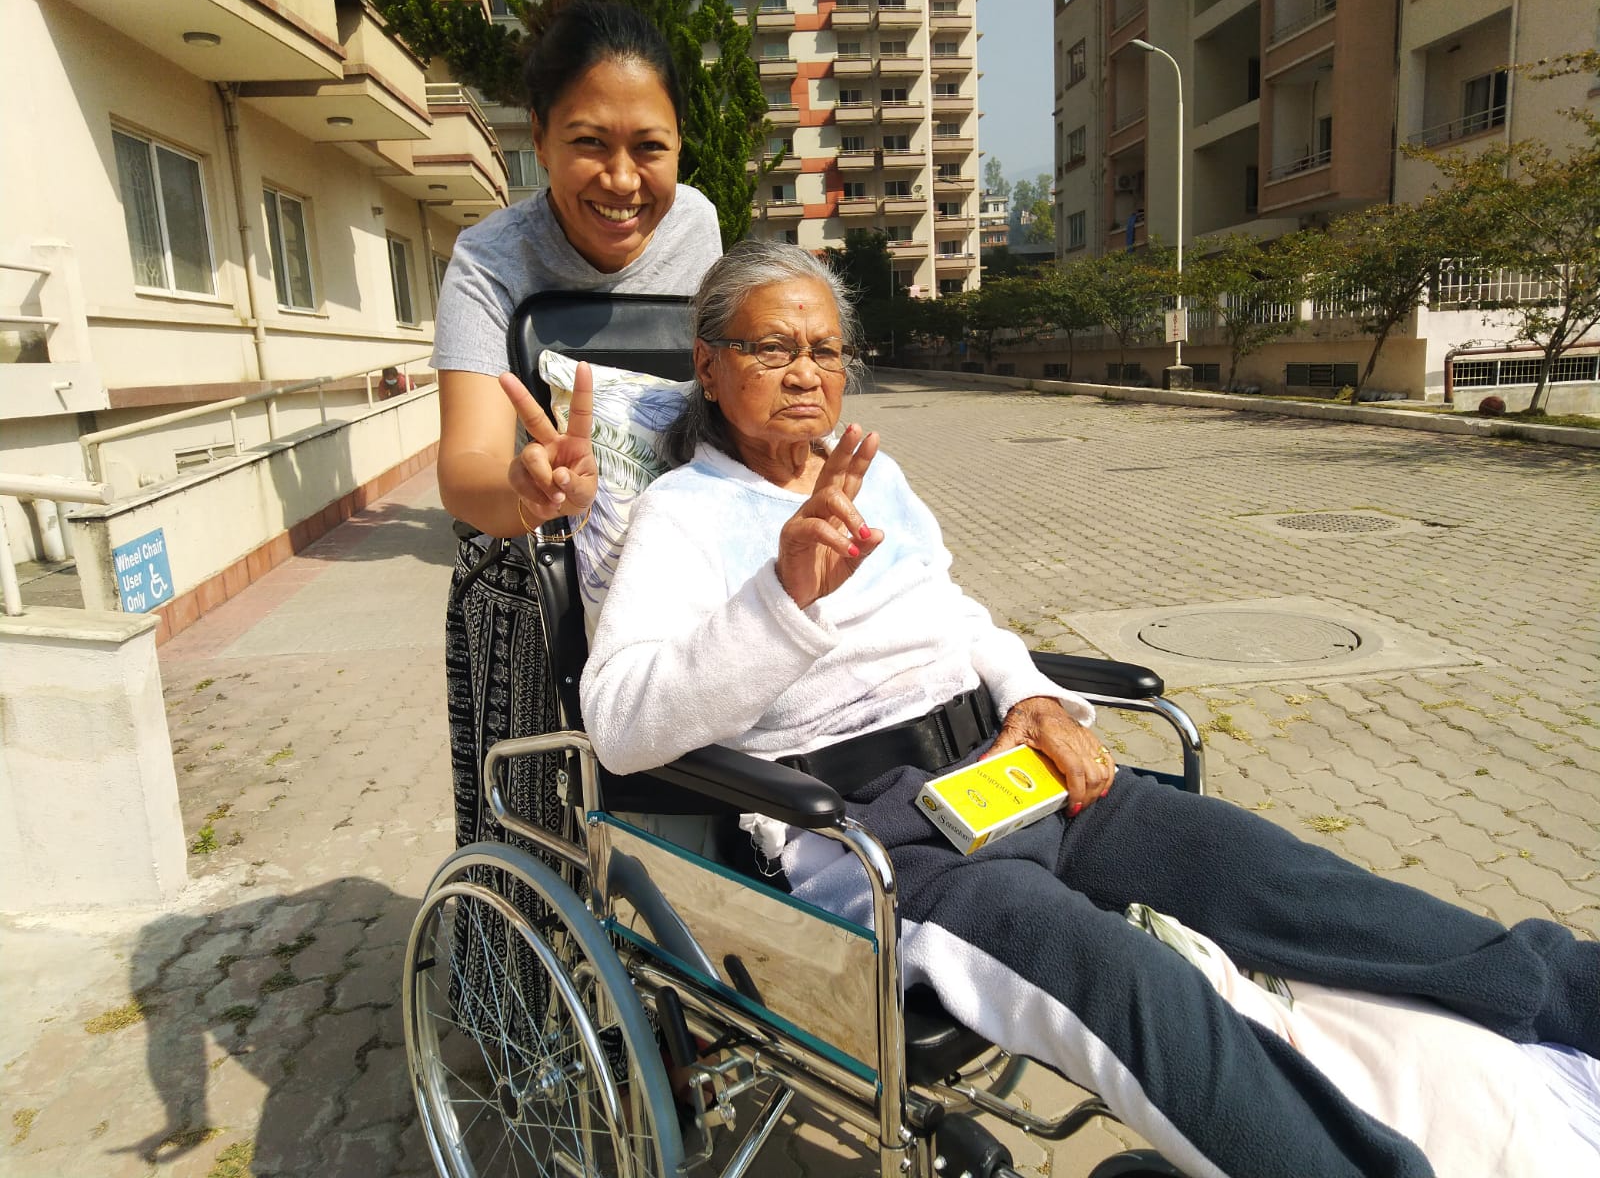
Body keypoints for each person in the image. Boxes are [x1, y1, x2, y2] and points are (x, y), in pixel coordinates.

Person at [579, 241, 1600, 1178]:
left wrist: (1030, 695)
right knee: (1125, 981)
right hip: (877, 836)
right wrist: (782, 599)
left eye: (825, 350)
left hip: (1005, 766)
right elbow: (620, 723)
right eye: (771, 348)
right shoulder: (683, 516)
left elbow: (956, 612)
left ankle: (1566, 998)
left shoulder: (870, 471)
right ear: (708, 364)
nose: (805, 373)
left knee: (1276, 876)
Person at [431, 0, 723, 854]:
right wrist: (526, 492)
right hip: (534, 572)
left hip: (672, 564)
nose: (623, 181)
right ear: (540, 135)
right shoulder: (490, 261)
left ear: (680, 144)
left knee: (709, 819)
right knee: (531, 833)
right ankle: (509, 936)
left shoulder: (697, 225)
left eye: (650, 147)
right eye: (590, 142)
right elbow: (466, 466)